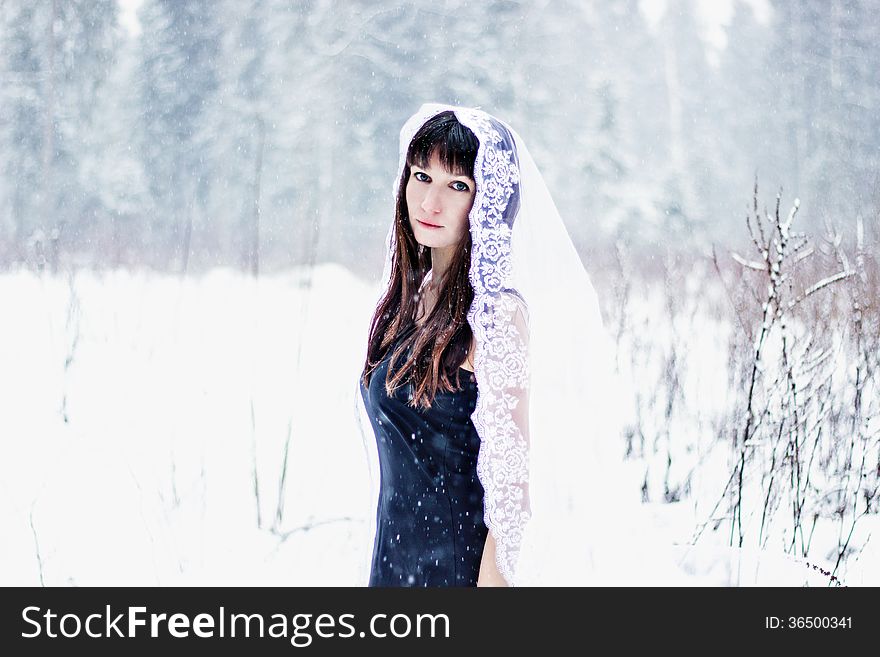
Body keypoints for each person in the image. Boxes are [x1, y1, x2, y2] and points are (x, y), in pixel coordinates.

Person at [356, 103, 832, 587]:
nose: (430, 202)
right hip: (394, 566)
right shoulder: (406, 302)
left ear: (490, 201)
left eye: (458, 185)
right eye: (421, 176)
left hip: (454, 570)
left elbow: (510, 493)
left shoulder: (495, 317)